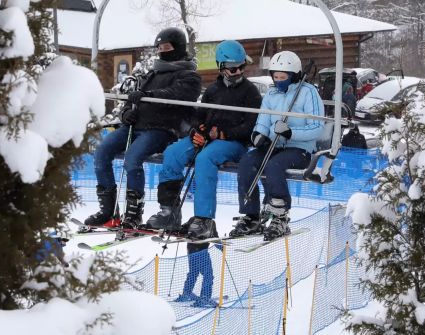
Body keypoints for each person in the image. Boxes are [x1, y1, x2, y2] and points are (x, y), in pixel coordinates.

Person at [84, 27, 201, 230]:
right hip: (135, 126)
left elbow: (177, 94)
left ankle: (134, 212)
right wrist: (126, 113)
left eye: (167, 47)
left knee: (132, 158)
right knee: (102, 152)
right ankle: (108, 211)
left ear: (178, 47)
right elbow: (135, 98)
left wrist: (150, 96)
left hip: (161, 129)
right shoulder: (151, 74)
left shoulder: (188, 75)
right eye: (160, 47)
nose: (162, 51)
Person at [145, 40, 262, 240]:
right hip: (208, 138)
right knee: (173, 153)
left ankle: (204, 219)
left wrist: (224, 134)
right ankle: (169, 212)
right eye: (232, 69)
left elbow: (251, 126)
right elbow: (199, 115)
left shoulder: (250, 92)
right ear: (221, 67)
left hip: (234, 144)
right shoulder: (213, 90)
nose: (238, 72)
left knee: (205, 159)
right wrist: (197, 131)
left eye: (242, 67)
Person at [230, 51, 324, 241]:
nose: (279, 81)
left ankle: (279, 215)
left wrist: (291, 133)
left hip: (300, 149)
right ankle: (251, 215)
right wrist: (258, 134)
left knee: (274, 166)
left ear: (294, 75)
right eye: (276, 77)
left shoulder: (307, 92)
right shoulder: (272, 94)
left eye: (284, 77)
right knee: (247, 161)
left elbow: (317, 127)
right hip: (274, 145)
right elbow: (263, 119)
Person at [174, 242, 221, 307]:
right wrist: (222, 247)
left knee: (193, 273)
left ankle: (186, 293)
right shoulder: (209, 231)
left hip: (191, 250)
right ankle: (205, 297)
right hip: (201, 251)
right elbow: (214, 237)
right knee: (208, 275)